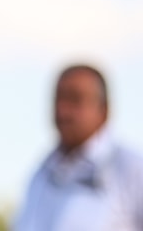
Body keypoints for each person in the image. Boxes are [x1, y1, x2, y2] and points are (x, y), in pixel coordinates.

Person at [14, 64, 143, 231]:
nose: (63, 111)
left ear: (104, 111)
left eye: (75, 100)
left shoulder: (131, 169)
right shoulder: (42, 174)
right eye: (58, 99)